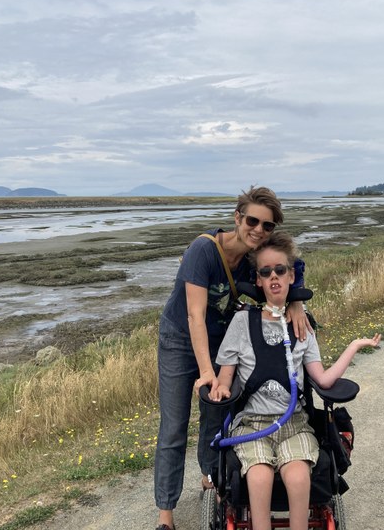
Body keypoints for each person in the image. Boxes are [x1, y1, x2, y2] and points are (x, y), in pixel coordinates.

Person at [154, 186, 311, 530]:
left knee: (216, 415)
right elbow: (195, 316)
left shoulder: (255, 258)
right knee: (175, 425)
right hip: (181, 339)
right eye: (252, 220)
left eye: (267, 225)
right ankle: (166, 513)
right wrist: (207, 372)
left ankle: (210, 476)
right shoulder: (204, 251)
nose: (258, 229)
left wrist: (296, 302)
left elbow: (293, 268)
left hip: (220, 340)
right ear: (237, 217)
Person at [210, 231, 381, 530]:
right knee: (259, 476)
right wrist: (222, 387)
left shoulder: (302, 326)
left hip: (295, 423)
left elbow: (323, 379)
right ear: (259, 281)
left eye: (280, 270)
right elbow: (226, 376)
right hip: (253, 424)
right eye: (266, 272)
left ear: (291, 276)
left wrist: (354, 345)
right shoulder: (242, 323)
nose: (273, 276)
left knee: (298, 475)